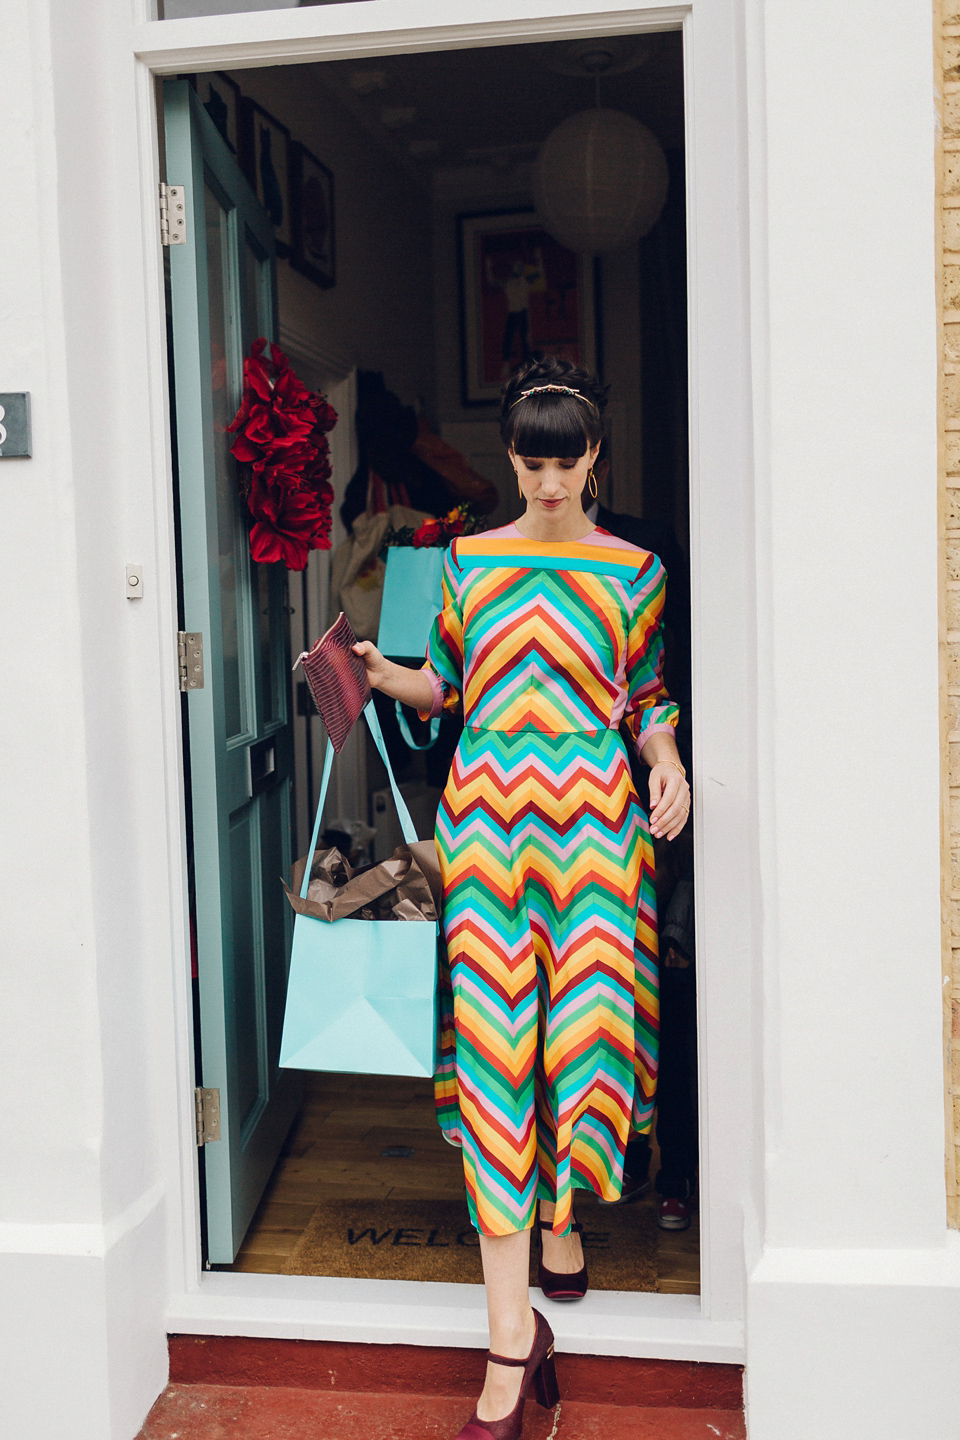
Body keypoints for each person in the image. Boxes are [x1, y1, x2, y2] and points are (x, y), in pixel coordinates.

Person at [353, 357, 690, 1440]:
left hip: (598, 835)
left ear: (596, 455)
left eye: (567, 458)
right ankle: (511, 1344)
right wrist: (376, 672)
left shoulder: (636, 569)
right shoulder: (465, 564)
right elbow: (445, 687)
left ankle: (563, 1217)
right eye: (531, 458)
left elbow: (644, 692)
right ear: (511, 455)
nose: (549, 478)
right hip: (487, 833)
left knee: (582, 1042)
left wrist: (668, 754)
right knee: (500, 1060)